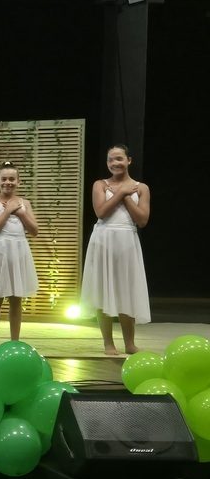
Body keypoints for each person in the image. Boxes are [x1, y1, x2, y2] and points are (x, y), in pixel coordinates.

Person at [81, 144, 151, 355]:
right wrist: (120, 192)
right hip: (104, 239)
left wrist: (125, 195)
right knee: (103, 290)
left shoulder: (141, 188)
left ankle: (129, 343)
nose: (115, 163)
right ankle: (108, 343)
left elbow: (142, 220)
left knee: (126, 290)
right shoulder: (100, 185)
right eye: (111, 159)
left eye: (119, 158)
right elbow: (101, 212)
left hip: (127, 240)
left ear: (129, 160)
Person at [0, 162, 39, 353]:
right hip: (0, 249)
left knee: (16, 297)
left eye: (12, 179)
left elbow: (34, 231)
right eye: (3, 179)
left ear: (18, 182)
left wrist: (19, 212)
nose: (8, 182)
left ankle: (15, 340)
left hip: (19, 250)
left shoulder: (24, 203)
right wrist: (7, 211)